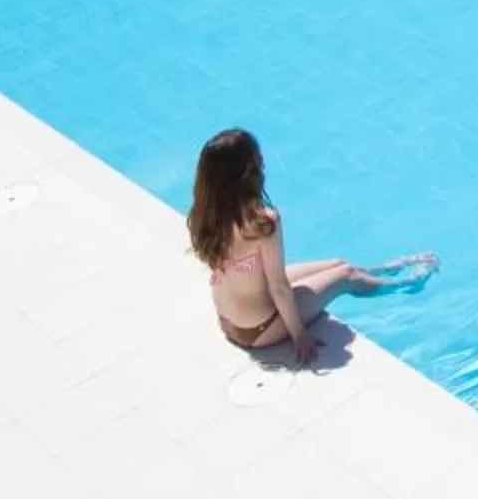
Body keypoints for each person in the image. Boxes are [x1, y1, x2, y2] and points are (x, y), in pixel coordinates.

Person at [186, 128, 434, 363]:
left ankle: (382, 270)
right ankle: (406, 283)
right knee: (346, 275)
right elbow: (279, 288)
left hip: (229, 317)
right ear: (248, 172)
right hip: (257, 329)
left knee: (337, 264)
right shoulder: (262, 222)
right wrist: (299, 336)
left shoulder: (204, 213)